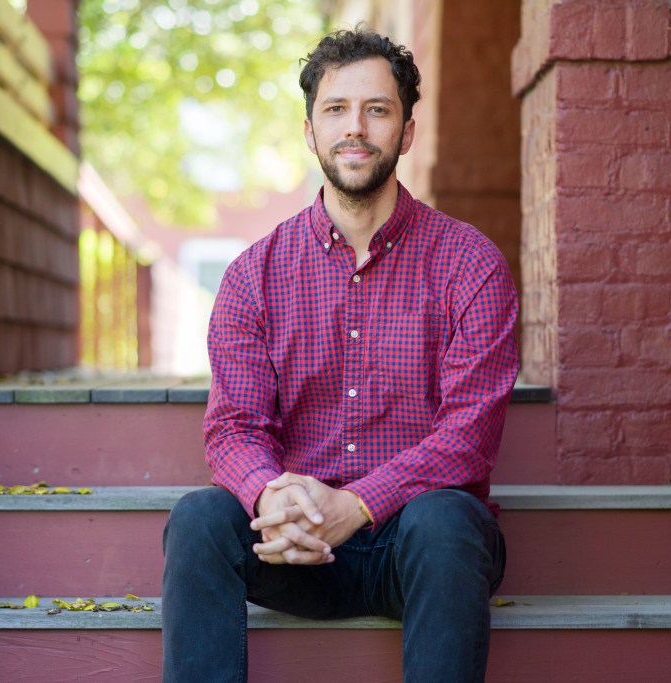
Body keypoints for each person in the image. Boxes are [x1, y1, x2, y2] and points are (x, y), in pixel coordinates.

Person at [162, 26, 518, 682]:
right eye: (336, 110)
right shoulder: (254, 275)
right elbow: (234, 428)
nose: (356, 128)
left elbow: (467, 439)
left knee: (447, 519)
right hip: (292, 546)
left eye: (377, 110)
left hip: (414, 546)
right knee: (200, 518)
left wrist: (353, 506)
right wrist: (271, 496)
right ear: (309, 131)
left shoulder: (471, 265)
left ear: (407, 132)